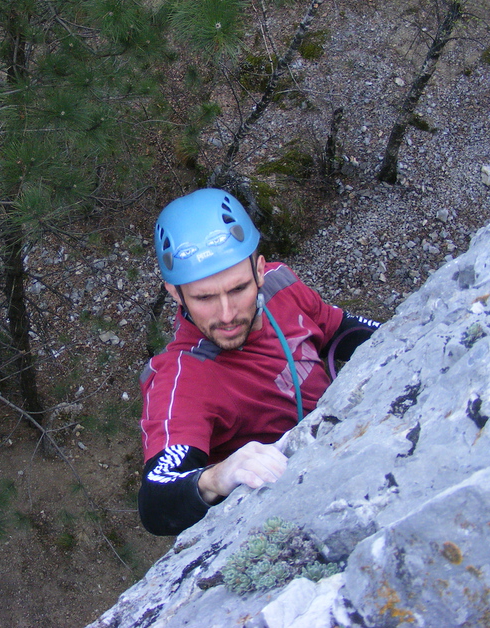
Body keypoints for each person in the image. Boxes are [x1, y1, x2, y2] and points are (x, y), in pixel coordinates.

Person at [138, 188, 379, 535]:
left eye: (238, 289)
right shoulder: (182, 378)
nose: (227, 314)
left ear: (260, 270)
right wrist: (218, 477)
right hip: (292, 504)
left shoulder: (282, 285)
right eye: (204, 297)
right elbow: (157, 501)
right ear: (175, 293)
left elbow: (337, 327)